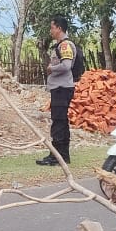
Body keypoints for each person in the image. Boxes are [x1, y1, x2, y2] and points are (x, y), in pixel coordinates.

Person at [36, 16, 77, 166]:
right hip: (61, 88)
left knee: (58, 123)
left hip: (61, 88)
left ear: (59, 28)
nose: (50, 31)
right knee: (62, 122)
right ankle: (63, 156)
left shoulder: (65, 45)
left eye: (52, 27)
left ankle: (56, 156)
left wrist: (51, 68)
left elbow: (66, 66)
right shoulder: (60, 45)